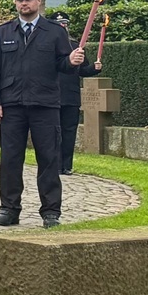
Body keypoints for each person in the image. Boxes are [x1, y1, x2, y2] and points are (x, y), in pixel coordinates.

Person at [0, 0, 84, 228]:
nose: (24, 3)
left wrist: (73, 61)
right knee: (10, 160)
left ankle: (51, 211)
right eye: (19, 0)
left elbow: (63, 66)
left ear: (39, 1)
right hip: (12, 105)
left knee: (49, 159)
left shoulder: (54, 32)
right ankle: (9, 208)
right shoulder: (3, 32)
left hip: (45, 104)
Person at [51, 12, 101, 174]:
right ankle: (55, 164)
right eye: (59, 24)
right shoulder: (47, 44)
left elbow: (82, 70)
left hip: (71, 96)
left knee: (69, 131)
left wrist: (94, 68)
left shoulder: (76, 46)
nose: (63, 26)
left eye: (65, 23)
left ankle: (67, 166)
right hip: (52, 95)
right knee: (53, 132)